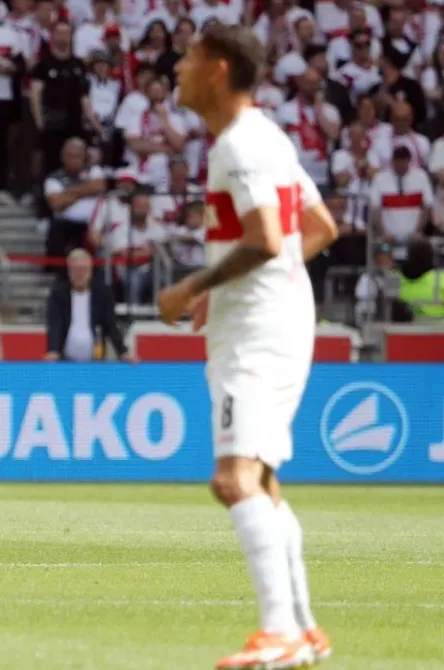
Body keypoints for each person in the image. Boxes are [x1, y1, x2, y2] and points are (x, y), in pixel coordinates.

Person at [156, 24, 340, 670]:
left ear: (217, 68)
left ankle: (279, 631)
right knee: (260, 480)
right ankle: (305, 630)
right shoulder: (266, 137)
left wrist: (192, 287)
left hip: (258, 332)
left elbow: (265, 240)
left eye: (188, 58)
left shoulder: (240, 144)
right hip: (269, 318)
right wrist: (228, 289)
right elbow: (319, 227)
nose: (176, 68)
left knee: (232, 480)